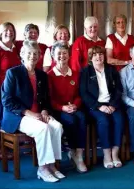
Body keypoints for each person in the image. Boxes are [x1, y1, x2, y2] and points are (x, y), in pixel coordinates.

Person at [1, 40, 64, 182]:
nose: (33, 56)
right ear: (22, 54)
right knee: (43, 128)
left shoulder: (42, 75)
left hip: (39, 114)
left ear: (39, 56)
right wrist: (28, 113)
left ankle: (51, 165)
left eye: (36, 53)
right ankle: (42, 169)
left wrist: (45, 111)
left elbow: (46, 99)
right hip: (18, 116)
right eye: (29, 53)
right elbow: (7, 100)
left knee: (57, 126)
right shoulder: (13, 73)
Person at [79, 46, 124, 169]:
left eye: (100, 54)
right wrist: (99, 107)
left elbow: (119, 89)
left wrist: (113, 105)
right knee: (103, 121)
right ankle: (106, 154)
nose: (98, 57)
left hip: (112, 104)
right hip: (95, 106)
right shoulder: (85, 72)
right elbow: (84, 93)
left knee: (119, 120)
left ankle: (115, 153)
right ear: (90, 58)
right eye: (95, 55)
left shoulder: (111, 70)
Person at [47, 41, 87, 173]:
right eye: (59, 53)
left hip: (73, 108)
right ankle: (72, 150)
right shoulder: (50, 76)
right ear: (53, 56)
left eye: (64, 53)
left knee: (82, 118)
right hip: (58, 110)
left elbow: (80, 94)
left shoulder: (75, 74)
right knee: (71, 121)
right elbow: (49, 99)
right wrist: (62, 108)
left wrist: (75, 104)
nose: (62, 56)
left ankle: (79, 155)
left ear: (69, 55)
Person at [0, 22, 21, 160]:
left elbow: (31, 41)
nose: (9, 32)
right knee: (1, 118)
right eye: (6, 30)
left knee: (10, 118)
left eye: (11, 30)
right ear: (0, 33)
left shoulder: (15, 48)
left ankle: (7, 148)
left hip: (13, 91)